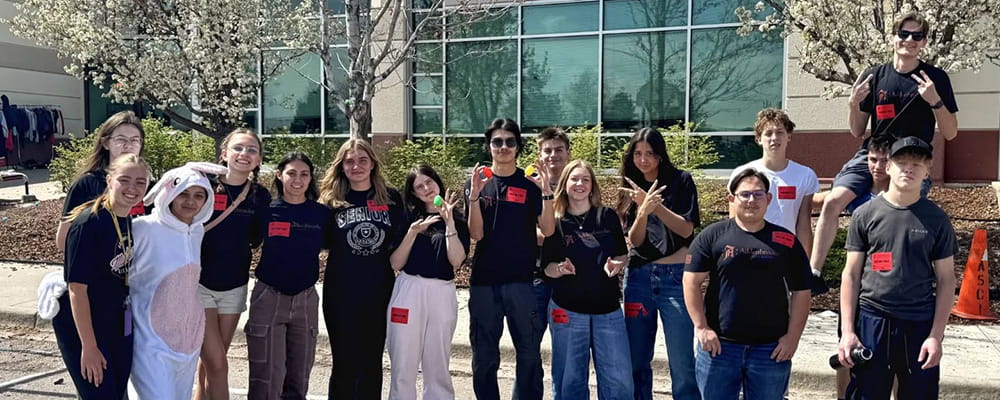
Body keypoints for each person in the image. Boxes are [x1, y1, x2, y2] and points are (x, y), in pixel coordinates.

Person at [812, 11, 958, 282]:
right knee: (832, 201)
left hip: (910, 161)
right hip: (873, 155)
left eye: (917, 36)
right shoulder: (874, 76)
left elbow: (950, 133)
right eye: (904, 34)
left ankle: (897, 280)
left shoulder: (935, 78)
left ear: (924, 42)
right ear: (893, 38)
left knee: (898, 216)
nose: (909, 40)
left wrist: (935, 101)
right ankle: (813, 273)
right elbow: (857, 130)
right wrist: (853, 104)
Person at [838, 137, 956, 400]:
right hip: (872, 320)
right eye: (902, 162)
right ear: (889, 166)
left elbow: (947, 279)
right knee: (866, 393)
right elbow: (851, 275)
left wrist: (936, 336)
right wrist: (848, 332)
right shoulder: (865, 214)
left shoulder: (937, 219)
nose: (908, 169)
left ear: (928, 171)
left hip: (919, 324)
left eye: (917, 164)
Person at [683, 168, 812, 400]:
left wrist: (792, 337)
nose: (752, 200)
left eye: (758, 194)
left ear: (768, 199)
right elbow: (691, 282)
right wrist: (701, 327)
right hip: (719, 347)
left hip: (771, 350)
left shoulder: (786, 241)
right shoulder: (712, 236)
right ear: (732, 199)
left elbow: (802, 291)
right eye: (745, 194)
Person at [464, 118, 555, 400]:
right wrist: (474, 197)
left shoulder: (530, 184)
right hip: (484, 282)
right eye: (497, 141)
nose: (503, 147)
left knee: (528, 354)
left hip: (522, 282)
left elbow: (548, 230)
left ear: (517, 146)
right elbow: (476, 234)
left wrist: (547, 192)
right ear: (488, 146)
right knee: (484, 356)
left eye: (510, 142)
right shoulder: (478, 182)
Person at [53, 154, 150, 399]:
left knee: (117, 392)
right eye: (124, 180)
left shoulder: (127, 218)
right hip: (85, 323)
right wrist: (89, 347)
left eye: (140, 182)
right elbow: (76, 289)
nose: (132, 188)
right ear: (109, 180)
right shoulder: (89, 223)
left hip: (116, 318)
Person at [319, 139, 407, 399]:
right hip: (341, 292)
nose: (356, 166)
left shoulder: (390, 198)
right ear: (341, 166)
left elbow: (401, 239)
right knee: (344, 362)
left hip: (378, 290)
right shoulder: (330, 200)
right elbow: (319, 241)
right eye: (349, 161)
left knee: (371, 362)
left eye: (362, 160)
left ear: (372, 164)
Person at [616, 127, 700, 400]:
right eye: (638, 154)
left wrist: (655, 206)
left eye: (650, 153)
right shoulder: (629, 186)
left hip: (675, 278)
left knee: (682, 362)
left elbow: (686, 229)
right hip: (639, 279)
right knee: (636, 359)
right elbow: (635, 240)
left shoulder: (681, 181)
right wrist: (642, 212)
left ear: (660, 155)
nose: (643, 160)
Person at [540, 159, 632, 400]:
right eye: (574, 179)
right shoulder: (555, 221)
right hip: (567, 310)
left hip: (608, 310)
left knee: (619, 383)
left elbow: (622, 254)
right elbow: (546, 268)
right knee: (569, 382)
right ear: (564, 184)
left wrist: (617, 265)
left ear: (592, 186)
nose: (580, 184)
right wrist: (560, 269)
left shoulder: (607, 216)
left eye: (585, 179)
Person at [129, 162, 220, 399]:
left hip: (186, 344)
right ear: (170, 193)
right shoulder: (142, 228)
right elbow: (105, 265)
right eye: (183, 194)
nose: (191, 201)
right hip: (150, 342)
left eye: (198, 195)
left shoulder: (197, 231)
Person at [246, 152, 330, 400]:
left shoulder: (322, 214)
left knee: (299, 375)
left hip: (306, 298)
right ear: (279, 175)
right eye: (291, 173)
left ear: (311, 178)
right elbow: (247, 241)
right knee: (266, 377)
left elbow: (330, 246)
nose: (298, 179)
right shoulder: (266, 210)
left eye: (304, 174)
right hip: (269, 295)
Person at [196, 128, 271, 400]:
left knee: (213, 359)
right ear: (224, 153)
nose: (244, 154)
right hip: (198, 284)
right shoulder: (202, 183)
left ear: (258, 159)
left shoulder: (260, 196)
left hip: (234, 285)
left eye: (252, 150)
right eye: (238, 148)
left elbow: (256, 238)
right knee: (217, 363)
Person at [387, 165, 470, 400]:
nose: (426, 188)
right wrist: (412, 233)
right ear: (413, 193)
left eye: (429, 182)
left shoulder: (457, 218)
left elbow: (456, 261)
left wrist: (449, 222)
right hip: (409, 289)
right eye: (419, 186)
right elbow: (395, 263)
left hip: (441, 291)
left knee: (437, 359)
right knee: (403, 359)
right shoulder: (408, 217)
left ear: (437, 182)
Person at [728, 108, 818, 256]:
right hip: (749, 252)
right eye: (768, 133)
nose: (774, 138)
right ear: (759, 139)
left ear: (789, 136)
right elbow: (733, 222)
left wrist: (804, 262)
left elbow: (804, 224)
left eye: (780, 132)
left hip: (787, 252)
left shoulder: (805, 175)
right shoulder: (742, 174)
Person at [57, 111, 145, 251]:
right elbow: (63, 241)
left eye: (135, 140)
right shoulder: (87, 184)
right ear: (106, 143)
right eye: (121, 139)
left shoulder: (148, 184)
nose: (128, 146)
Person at [530, 127, 572, 356]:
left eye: (558, 149)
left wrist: (546, 234)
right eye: (547, 151)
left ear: (568, 153)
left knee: (566, 349)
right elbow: (521, 229)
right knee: (529, 348)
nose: (553, 155)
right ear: (540, 155)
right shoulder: (529, 186)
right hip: (535, 277)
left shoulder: (577, 184)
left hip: (569, 276)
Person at [811, 134, 893, 215]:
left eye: (885, 161)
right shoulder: (853, 193)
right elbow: (813, 200)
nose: (878, 166)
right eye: (873, 160)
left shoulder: (898, 197)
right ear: (867, 159)